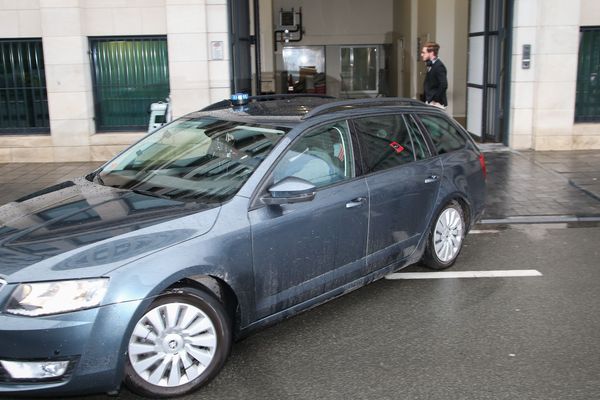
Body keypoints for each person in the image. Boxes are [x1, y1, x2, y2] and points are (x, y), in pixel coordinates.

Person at [421, 41, 448, 109]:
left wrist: (435, 99)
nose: (421, 54)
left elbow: (444, 84)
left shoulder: (439, 66)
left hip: (435, 103)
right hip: (429, 101)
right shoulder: (431, 64)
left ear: (431, 53)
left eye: (424, 53)